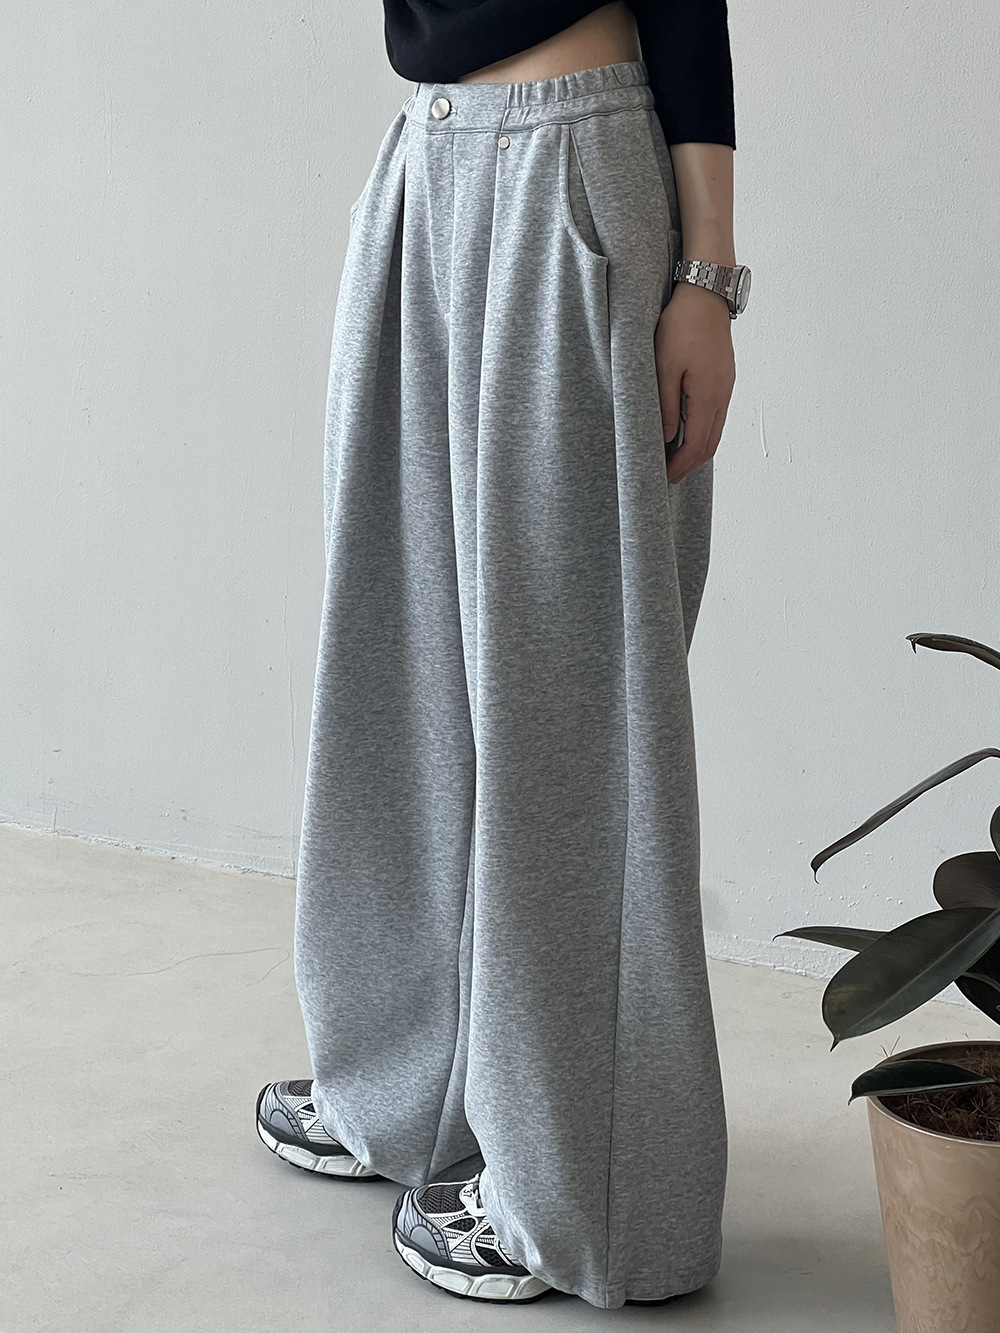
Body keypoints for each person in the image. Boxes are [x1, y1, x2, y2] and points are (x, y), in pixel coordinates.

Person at [256, 0, 750, 1311]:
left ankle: (595, 1196)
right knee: (396, 655)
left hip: (572, 163)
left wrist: (708, 278)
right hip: (427, 156)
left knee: (572, 695)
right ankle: (406, 1091)